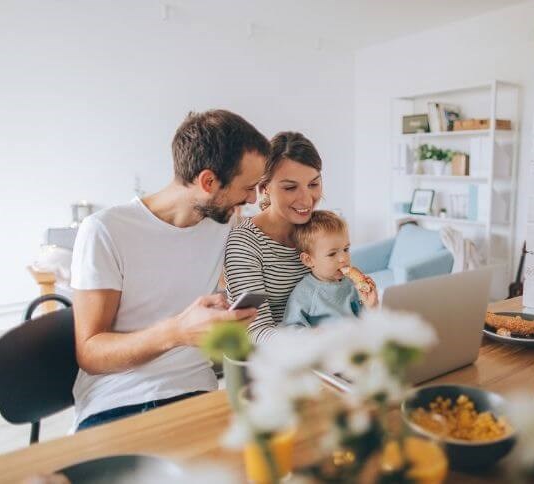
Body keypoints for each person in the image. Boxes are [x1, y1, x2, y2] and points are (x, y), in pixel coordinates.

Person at [71, 109, 270, 430]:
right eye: (247, 187)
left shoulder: (224, 223)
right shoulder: (105, 230)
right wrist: (176, 332)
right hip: (119, 400)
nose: (251, 198)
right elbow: (90, 353)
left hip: (197, 393)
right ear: (208, 181)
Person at [223, 131, 322, 343]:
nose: (307, 199)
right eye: (290, 187)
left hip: (327, 356)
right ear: (264, 187)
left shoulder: (321, 230)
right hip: (275, 363)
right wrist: (318, 339)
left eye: (313, 184)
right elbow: (256, 332)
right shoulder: (245, 243)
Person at [282, 210, 378, 328]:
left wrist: (371, 305)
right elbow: (291, 328)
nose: (343, 258)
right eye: (332, 254)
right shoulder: (304, 293)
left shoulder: (351, 283)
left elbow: (365, 320)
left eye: (346, 249)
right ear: (308, 260)